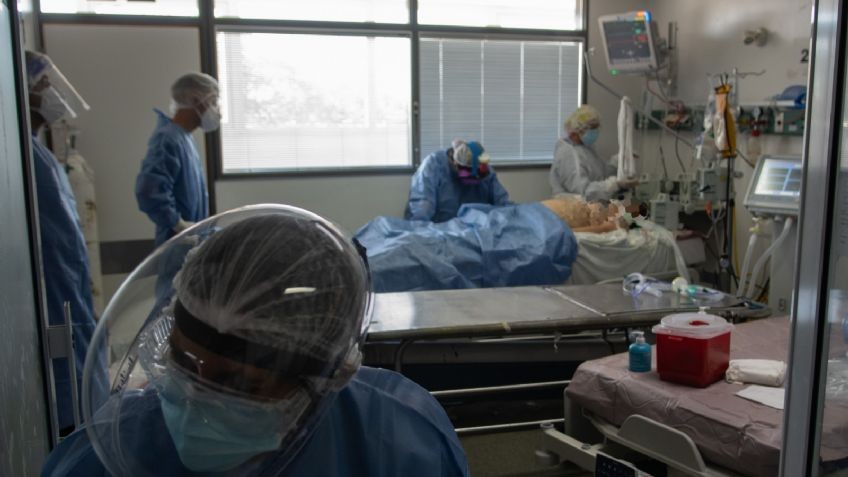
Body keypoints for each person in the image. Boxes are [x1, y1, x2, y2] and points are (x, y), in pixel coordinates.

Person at [42, 206, 469, 476]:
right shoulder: (109, 453)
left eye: (237, 383)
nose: (193, 402)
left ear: (325, 378)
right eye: (182, 364)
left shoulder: (396, 446)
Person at [25, 50, 107, 435]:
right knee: (68, 389)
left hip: (70, 287)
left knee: (84, 374)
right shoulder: (25, 159)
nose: (52, 90)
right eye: (43, 83)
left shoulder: (40, 154)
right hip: (54, 295)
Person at [135, 73, 220, 246]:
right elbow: (148, 190)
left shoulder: (184, 138)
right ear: (195, 99)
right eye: (213, 101)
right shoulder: (167, 139)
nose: (218, 111)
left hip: (189, 241)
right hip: (177, 243)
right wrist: (178, 225)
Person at [405, 139, 511, 222]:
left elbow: (502, 204)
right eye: (469, 174)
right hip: (440, 231)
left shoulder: (485, 171)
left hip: (476, 230)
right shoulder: (434, 165)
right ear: (455, 164)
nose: (473, 181)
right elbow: (421, 209)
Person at [549, 105, 638, 201]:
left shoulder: (585, 148)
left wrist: (620, 159)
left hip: (591, 206)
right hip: (573, 208)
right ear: (575, 132)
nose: (595, 132)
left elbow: (602, 173)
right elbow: (584, 191)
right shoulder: (568, 155)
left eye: (596, 128)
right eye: (592, 129)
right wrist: (615, 184)